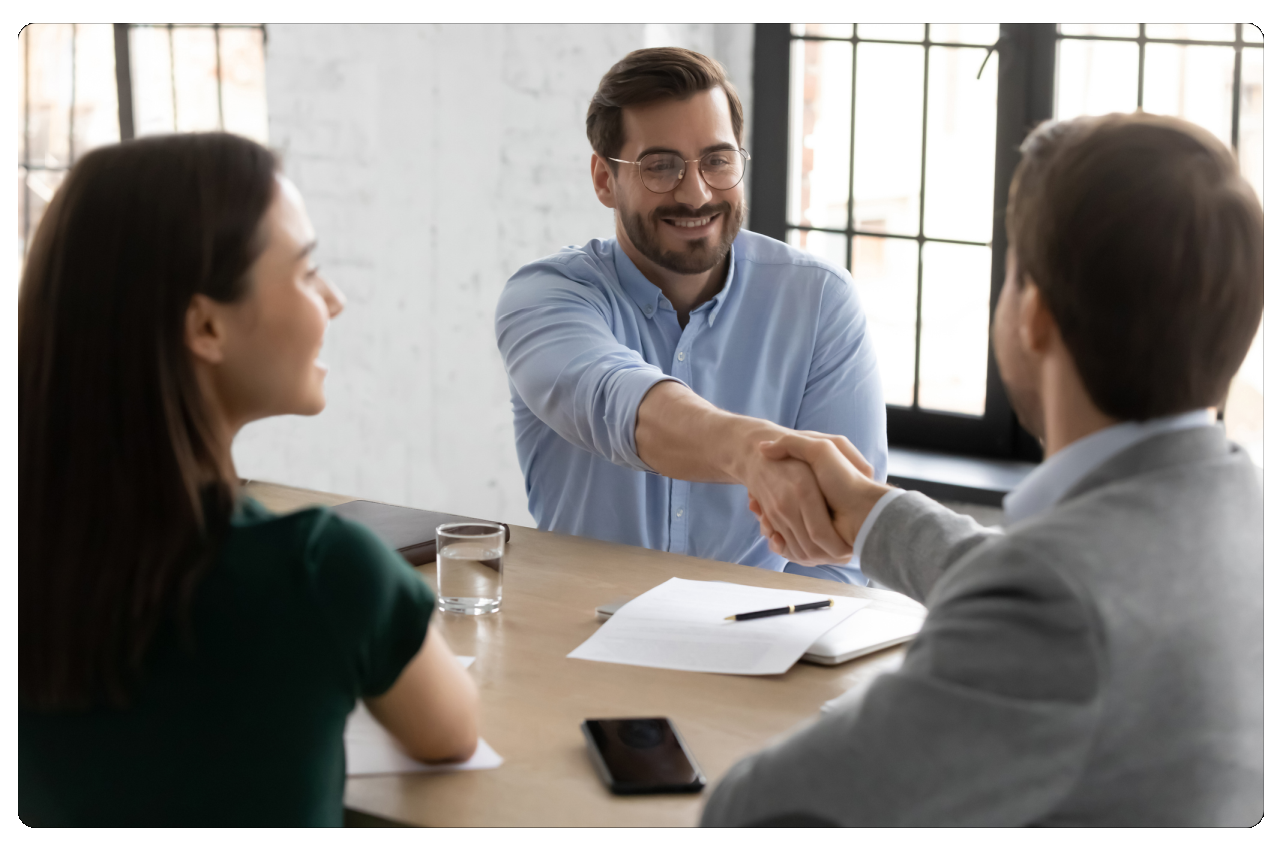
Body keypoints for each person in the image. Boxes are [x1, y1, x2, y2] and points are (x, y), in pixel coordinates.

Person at [703, 113, 1264, 826]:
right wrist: (872, 514)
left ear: (1032, 313)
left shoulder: (1052, 610)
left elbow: (758, 810)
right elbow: (1067, 582)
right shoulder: (1227, 509)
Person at [18, 133, 479, 826]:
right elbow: (450, 733)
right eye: (305, 271)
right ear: (205, 325)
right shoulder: (320, 570)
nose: (335, 300)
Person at [495, 48, 886, 584]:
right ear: (604, 179)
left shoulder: (819, 301)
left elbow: (841, 551)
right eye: (661, 166)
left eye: (717, 160)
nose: (696, 191)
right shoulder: (545, 297)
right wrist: (750, 453)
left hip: (760, 641)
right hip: (577, 642)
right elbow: (617, 402)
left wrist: (797, 651)